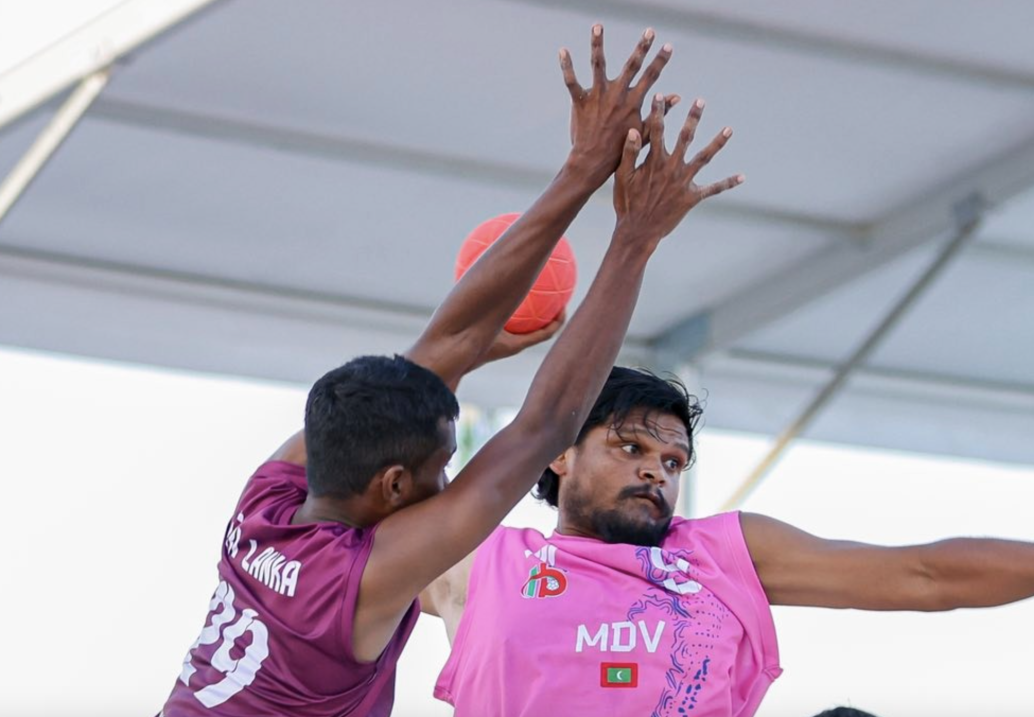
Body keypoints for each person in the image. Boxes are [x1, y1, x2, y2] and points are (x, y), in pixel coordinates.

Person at [160, 25, 743, 716]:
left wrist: (583, 168)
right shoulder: (360, 579)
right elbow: (545, 425)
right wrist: (634, 241)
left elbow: (437, 349)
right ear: (394, 484)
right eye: (441, 466)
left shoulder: (268, 502)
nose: (449, 480)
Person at [426, 367, 1034, 716]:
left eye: (673, 460)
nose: (655, 471)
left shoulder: (721, 553)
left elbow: (923, 574)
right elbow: (363, 485)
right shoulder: (478, 562)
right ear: (558, 453)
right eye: (630, 446)